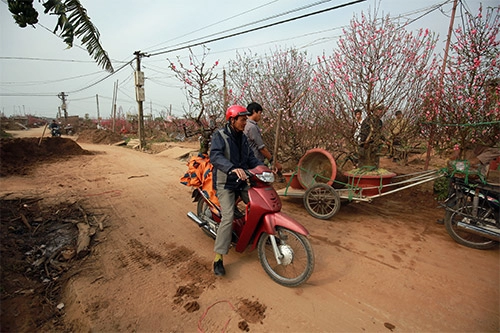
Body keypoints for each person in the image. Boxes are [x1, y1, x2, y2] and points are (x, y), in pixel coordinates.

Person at [209, 105, 264, 276]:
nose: (245, 123)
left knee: (259, 202)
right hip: (225, 183)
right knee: (228, 216)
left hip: (241, 182)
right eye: (242, 120)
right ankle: (218, 258)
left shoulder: (243, 137)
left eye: (246, 119)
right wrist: (231, 168)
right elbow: (215, 156)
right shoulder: (220, 135)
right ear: (232, 120)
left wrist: (263, 168)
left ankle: (261, 233)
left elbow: (251, 158)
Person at [244, 102, 282, 172]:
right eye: (259, 113)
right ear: (254, 111)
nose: (260, 116)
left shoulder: (245, 125)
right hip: (255, 161)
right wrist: (274, 162)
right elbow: (261, 148)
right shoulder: (252, 127)